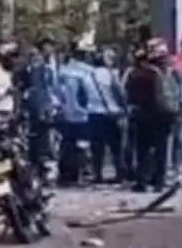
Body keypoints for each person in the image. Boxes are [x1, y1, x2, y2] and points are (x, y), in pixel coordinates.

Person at [125, 38, 181, 193]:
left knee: (142, 149)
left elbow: (130, 94)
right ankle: (159, 182)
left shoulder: (138, 73)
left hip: (144, 114)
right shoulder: (170, 72)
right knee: (161, 149)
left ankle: (142, 181)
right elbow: (178, 93)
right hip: (165, 114)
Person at [87, 47, 128, 184]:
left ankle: (97, 174)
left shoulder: (87, 75)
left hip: (93, 113)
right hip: (111, 113)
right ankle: (119, 173)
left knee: (97, 147)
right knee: (115, 147)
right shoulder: (111, 75)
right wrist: (124, 107)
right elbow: (120, 92)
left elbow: (82, 96)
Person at [22, 36, 60, 180]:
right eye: (48, 46)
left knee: (44, 138)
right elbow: (38, 89)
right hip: (38, 107)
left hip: (46, 105)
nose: (50, 49)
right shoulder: (39, 67)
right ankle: (38, 167)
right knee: (39, 138)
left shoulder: (51, 64)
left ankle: (41, 166)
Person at [55, 41, 92, 186]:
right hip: (83, 114)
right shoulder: (88, 71)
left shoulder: (63, 70)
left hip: (67, 114)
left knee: (67, 144)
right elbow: (89, 93)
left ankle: (65, 175)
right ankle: (79, 174)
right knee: (82, 145)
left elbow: (57, 92)